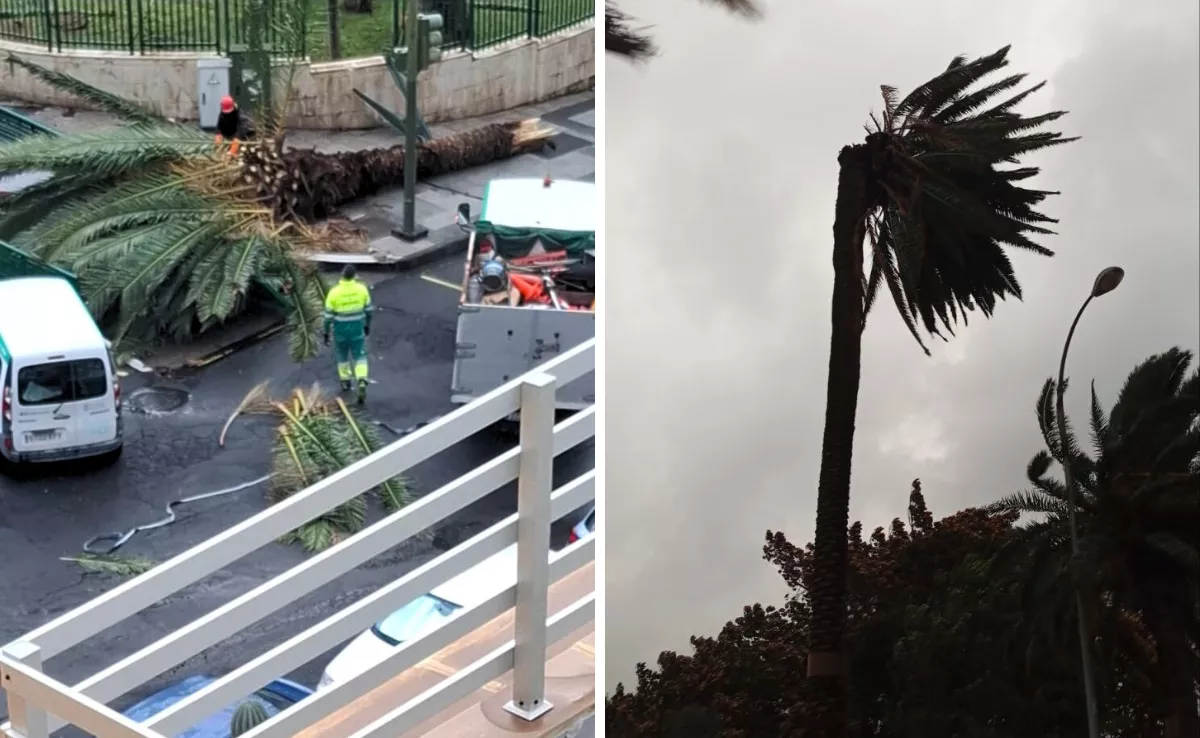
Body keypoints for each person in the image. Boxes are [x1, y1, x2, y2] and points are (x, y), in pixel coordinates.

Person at [323, 264, 374, 404]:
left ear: (341, 276)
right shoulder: (361, 289)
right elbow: (369, 311)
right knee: (360, 355)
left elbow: (327, 318)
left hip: (340, 330)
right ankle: (362, 379)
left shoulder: (334, 293)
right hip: (357, 328)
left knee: (342, 355)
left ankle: (345, 381)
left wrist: (326, 333)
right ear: (355, 276)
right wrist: (367, 326)